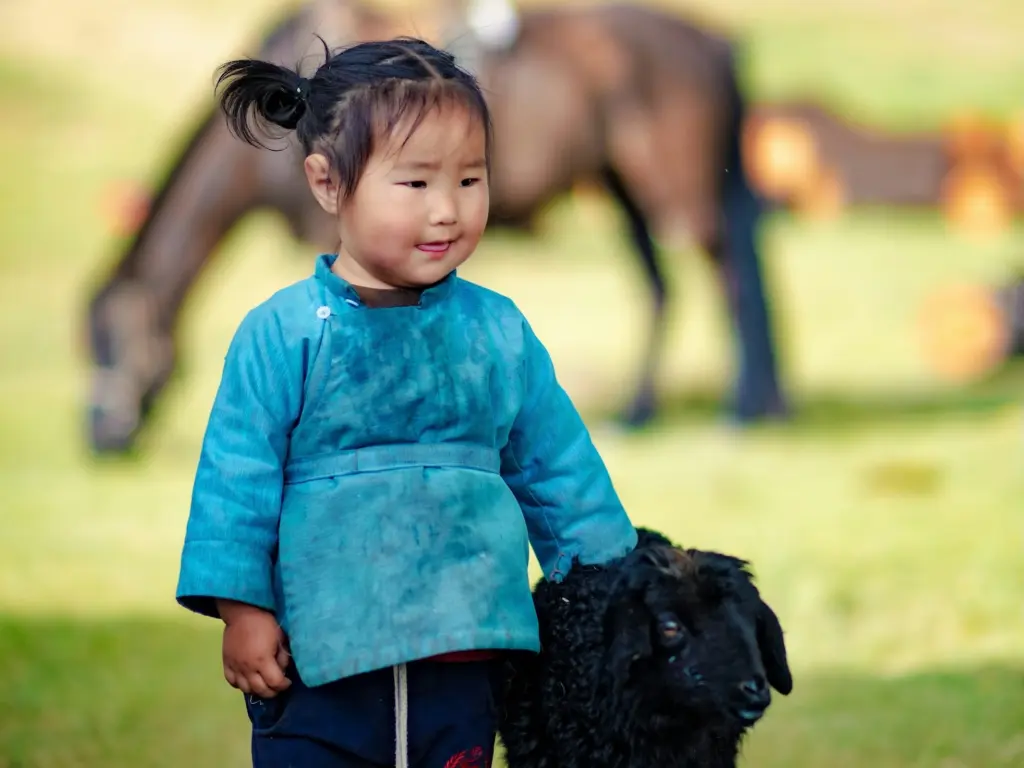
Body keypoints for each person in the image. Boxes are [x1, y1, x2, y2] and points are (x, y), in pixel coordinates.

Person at [175, 36, 638, 768]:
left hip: (463, 652)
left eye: (470, 180)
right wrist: (243, 610)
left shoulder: (496, 333)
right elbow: (237, 481)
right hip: (318, 664)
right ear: (328, 185)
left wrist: (615, 584)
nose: (447, 211)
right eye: (416, 184)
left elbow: (559, 471)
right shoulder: (282, 334)